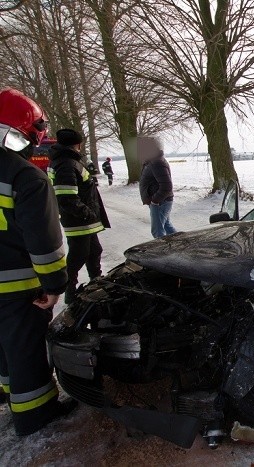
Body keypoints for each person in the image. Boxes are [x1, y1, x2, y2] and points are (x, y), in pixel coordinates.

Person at [0, 88, 77, 435]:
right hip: (16, 290)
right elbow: (44, 244)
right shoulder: (24, 176)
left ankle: (6, 392)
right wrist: (54, 285)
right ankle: (35, 413)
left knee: (2, 349)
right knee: (24, 349)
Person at [48, 128, 110, 304]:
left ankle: (97, 284)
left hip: (83, 221)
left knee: (94, 251)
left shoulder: (67, 161)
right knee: (78, 256)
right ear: (77, 144)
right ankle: (70, 293)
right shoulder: (66, 163)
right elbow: (67, 197)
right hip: (79, 221)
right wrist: (87, 214)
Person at [138, 136, 176, 238]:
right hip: (161, 202)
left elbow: (167, 186)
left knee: (158, 233)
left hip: (160, 202)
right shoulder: (151, 161)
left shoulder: (157, 162)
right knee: (167, 227)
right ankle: (183, 247)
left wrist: (155, 201)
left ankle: (164, 253)